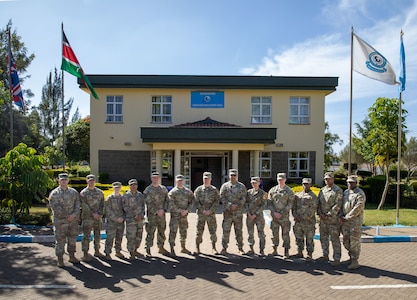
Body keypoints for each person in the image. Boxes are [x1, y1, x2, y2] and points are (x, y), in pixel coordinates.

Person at [48, 173, 81, 267]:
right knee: (60, 240)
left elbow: (77, 204)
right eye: (62, 180)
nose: (64, 181)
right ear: (58, 180)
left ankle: (72, 256)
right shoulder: (54, 193)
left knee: (72, 239)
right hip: (60, 221)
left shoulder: (73, 192)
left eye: (65, 180)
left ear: (68, 180)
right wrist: (67, 216)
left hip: (72, 221)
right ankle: (60, 259)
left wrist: (74, 215)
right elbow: (54, 207)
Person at [339, 175, 366, 270]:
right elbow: (342, 205)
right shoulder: (346, 192)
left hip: (355, 222)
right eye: (349, 182)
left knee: (354, 241)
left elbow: (358, 208)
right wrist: (341, 215)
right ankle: (350, 257)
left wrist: (347, 217)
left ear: (356, 183)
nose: (350, 184)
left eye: (352, 182)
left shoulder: (360, 193)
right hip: (345, 222)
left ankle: (355, 260)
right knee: (346, 240)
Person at [317, 171, 343, 265]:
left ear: (333, 179)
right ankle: (325, 255)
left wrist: (328, 214)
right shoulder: (322, 190)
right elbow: (318, 203)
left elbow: (338, 204)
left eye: (329, 179)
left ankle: (336, 258)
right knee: (323, 238)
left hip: (333, 220)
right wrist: (320, 213)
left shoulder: (338, 190)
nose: (327, 180)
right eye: (326, 179)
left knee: (335, 239)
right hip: (323, 220)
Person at [220, 169, 247, 255]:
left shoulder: (241, 186)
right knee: (225, 231)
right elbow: (222, 197)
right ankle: (224, 248)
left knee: (238, 231)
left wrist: (237, 205)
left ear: (237, 176)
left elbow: (244, 197)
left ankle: (240, 248)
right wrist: (229, 205)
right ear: (229, 176)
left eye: (234, 175)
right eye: (231, 175)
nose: (233, 177)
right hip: (227, 213)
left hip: (238, 213)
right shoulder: (225, 186)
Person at [267, 172, 295, 258]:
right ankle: (274, 250)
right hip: (275, 217)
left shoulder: (289, 191)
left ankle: (286, 251)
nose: (280, 181)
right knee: (274, 234)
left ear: (285, 180)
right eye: (279, 179)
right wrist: (274, 212)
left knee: (285, 234)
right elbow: (269, 203)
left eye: (282, 179)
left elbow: (290, 204)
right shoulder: (272, 190)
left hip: (284, 217)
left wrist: (281, 213)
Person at [194, 171, 220, 255]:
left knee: (213, 231)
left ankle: (214, 247)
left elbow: (217, 202)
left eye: (208, 179)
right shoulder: (198, 190)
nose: (206, 180)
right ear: (203, 179)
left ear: (211, 179)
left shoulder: (214, 190)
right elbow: (196, 202)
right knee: (199, 231)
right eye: (205, 179)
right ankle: (197, 248)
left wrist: (210, 211)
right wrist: (202, 210)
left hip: (211, 215)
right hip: (201, 214)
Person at [79, 174, 105, 261]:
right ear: (87, 181)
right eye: (89, 180)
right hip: (87, 218)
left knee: (98, 235)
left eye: (93, 180)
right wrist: (93, 214)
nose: (91, 182)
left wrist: (99, 214)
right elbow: (84, 205)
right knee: (86, 236)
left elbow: (102, 204)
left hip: (98, 218)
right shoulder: (83, 193)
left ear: (95, 181)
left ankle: (97, 250)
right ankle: (85, 253)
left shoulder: (100, 192)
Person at [168, 174, 195, 256]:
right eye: (178, 181)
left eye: (181, 180)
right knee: (173, 232)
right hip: (175, 216)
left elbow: (192, 201)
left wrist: (187, 210)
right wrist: (180, 211)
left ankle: (183, 247)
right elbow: (170, 204)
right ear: (176, 181)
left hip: (184, 216)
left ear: (183, 181)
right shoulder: (172, 192)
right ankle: (172, 248)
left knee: (183, 232)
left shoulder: (188, 192)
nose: (180, 182)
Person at [144, 172, 169, 256]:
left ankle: (161, 247)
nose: (156, 179)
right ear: (151, 179)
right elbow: (148, 203)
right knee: (150, 231)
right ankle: (148, 248)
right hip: (152, 215)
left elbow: (167, 200)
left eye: (157, 178)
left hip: (162, 215)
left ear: (159, 179)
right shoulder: (148, 190)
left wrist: (163, 210)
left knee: (161, 231)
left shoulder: (163, 189)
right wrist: (156, 211)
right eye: (154, 178)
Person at [292, 178, 318, 261]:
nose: (305, 185)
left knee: (309, 238)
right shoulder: (297, 195)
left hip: (308, 222)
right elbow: (294, 207)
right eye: (304, 184)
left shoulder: (313, 196)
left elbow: (312, 209)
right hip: (298, 221)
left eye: (307, 184)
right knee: (298, 237)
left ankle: (309, 254)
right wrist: (295, 216)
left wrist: (303, 218)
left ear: (310, 185)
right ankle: (300, 252)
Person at [123, 178, 145, 259]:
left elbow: (143, 206)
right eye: (131, 185)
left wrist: (141, 215)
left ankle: (136, 249)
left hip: (140, 219)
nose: (133, 186)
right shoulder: (126, 196)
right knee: (131, 236)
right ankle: (131, 251)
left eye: (135, 184)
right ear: (129, 186)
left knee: (139, 235)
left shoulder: (140, 195)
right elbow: (125, 207)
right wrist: (134, 215)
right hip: (131, 219)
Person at [245, 176, 267, 256]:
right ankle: (251, 249)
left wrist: (255, 214)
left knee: (261, 233)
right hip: (250, 216)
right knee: (250, 233)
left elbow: (264, 205)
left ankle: (262, 250)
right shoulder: (248, 193)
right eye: (253, 183)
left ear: (259, 183)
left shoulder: (263, 193)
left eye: (256, 182)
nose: (254, 184)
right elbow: (246, 203)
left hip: (259, 217)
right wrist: (248, 213)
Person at [104, 181, 125, 260]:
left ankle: (118, 251)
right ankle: (107, 252)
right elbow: (108, 210)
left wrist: (122, 217)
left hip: (121, 222)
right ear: (113, 188)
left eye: (118, 188)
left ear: (120, 188)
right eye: (115, 188)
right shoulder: (109, 198)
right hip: (111, 222)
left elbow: (125, 209)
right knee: (110, 237)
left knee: (119, 237)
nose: (117, 189)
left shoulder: (122, 198)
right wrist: (116, 218)